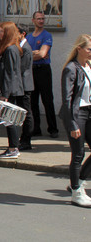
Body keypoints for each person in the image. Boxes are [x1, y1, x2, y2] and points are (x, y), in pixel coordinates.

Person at [59, 34, 91, 207]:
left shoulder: (88, 66)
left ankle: (77, 183)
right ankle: (77, 193)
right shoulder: (71, 68)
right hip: (77, 114)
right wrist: (72, 123)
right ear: (79, 49)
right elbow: (67, 99)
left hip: (89, 112)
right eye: (89, 49)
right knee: (78, 153)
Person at [0, 22, 24, 159]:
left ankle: (13, 148)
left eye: (1, 31)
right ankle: (12, 147)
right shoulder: (8, 48)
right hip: (8, 90)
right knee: (8, 120)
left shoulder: (11, 49)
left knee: (9, 120)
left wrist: (5, 94)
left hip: (10, 91)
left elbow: (10, 73)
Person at [27, 11, 59, 138]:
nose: (41, 21)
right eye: (39, 19)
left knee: (47, 100)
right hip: (32, 70)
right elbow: (24, 54)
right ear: (33, 20)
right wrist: (33, 54)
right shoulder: (29, 37)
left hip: (43, 70)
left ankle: (53, 128)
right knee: (33, 101)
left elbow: (42, 54)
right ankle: (36, 128)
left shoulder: (47, 35)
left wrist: (32, 54)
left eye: (43, 19)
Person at [17, 23, 35, 151]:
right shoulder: (21, 47)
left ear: (22, 34)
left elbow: (23, 68)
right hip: (22, 84)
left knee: (27, 113)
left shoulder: (26, 48)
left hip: (25, 85)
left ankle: (26, 140)